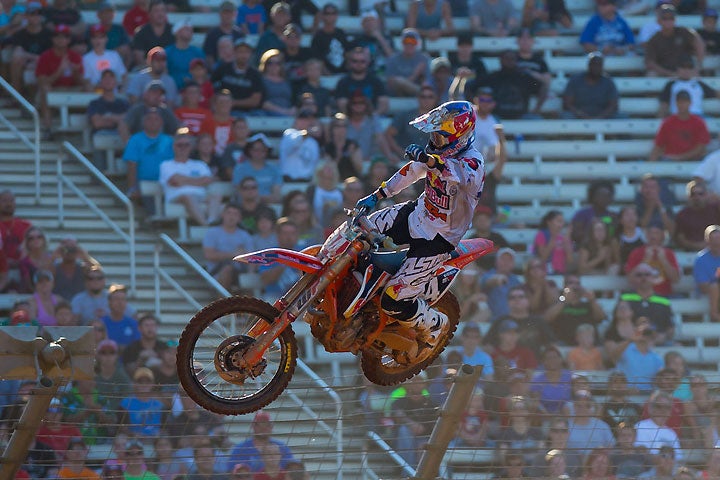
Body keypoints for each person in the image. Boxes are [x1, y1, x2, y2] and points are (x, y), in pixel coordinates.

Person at [352, 101, 484, 347]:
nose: (435, 140)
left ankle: (434, 324)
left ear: (460, 137)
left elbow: (455, 172)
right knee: (358, 229)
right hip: (417, 214)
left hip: (439, 239)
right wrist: (378, 195)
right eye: (434, 134)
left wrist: (431, 161)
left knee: (393, 300)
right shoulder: (435, 154)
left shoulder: (473, 163)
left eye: (441, 136)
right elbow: (412, 171)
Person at [159, 128, 218, 226]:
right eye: (180, 145)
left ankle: (212, 222)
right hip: (177, 196)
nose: (183, 148)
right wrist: (198, 181)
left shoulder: (199, 164)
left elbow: (208, 180)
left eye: (186, 145)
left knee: (217, 196)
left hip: (200, 196)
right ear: (174, 147)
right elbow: (175, 181)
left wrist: (184, 180)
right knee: (188, 197)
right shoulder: (166, 165)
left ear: (191, 147)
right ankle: (205, 225)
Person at [35, 24, 85, 135]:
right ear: (53, 39)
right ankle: (48, 128)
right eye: (58, 36)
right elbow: (41, 82)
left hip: (71, 90)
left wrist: (75, 72)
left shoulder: (75, 56)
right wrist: (59, 71)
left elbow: (80, 82)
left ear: (69, 40)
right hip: (53, 89)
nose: (61, 40)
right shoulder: (45, 56)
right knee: (45, 89)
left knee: (89, 87)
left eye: (65, 37)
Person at [123, 108, 175, 203]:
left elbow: (175, 164)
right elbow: (131, 165)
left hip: (166, 184)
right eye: (149, 119)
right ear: (143, 122)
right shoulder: (135, 140)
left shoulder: (169, 141)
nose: (153, 122)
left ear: (161, 122)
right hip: (143, 184)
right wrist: (132, 188)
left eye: (156, 119)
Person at [475, 50, 544, 119]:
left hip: (521, 116)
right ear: (501, 60)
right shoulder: (492, 77)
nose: (509, 61)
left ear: (516, 61)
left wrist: (537, 108)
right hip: (497, 117)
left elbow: (542, 88)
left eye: (512, 59)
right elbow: (471, 88)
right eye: (506, 58)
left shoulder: (525, 78)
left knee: (536, 119)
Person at [202, 203, 254, 291]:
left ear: (239, 218)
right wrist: (234, 254)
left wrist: (250, 274)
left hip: (239, 272)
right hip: (216, 272)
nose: (231, 217)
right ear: (223, 215)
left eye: (235, 214)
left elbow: (252, 259)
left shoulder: (245, 235)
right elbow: (209, 255)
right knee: (227, 269)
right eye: (229, 213)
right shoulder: (212, 232)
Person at [225, 411, 297, 473]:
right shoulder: (240, 449)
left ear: (271, 427)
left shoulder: (282, 448)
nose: (263, 428)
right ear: (253, 426)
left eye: (266, 425)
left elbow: (293, 468)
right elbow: (230, 471)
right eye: (259, 425)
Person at [649, 90, 710, 163]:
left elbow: (701, 147)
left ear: (690, 103)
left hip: (692, 161)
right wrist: (650, 166)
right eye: (680, 102)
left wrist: (679, 158)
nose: (682, 104)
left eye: (685, 102)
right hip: (671, 161)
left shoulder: (699, 122)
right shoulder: (668, 123)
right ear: (676, 103)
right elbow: (658, 145)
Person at [645, 3, 705, 76]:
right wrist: (669, 73)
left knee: (696, 75)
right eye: (665, 18)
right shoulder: (654, 39)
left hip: (685, 69)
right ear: (658, 21)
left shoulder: (683, 32)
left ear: (675, 19)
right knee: (651, 74)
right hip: (665, 72)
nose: (668, 21)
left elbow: (699, 42)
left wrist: (698, 67)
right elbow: (650, 63)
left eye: (671, 18)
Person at [211, 38, 264, 115]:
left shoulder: (255, 74)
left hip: (248, 112)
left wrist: (234, 103)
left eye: (247, 52)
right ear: (234, 53)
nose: (244, 55)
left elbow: (255, 101)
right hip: (223, 110)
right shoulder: (222, 69)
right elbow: (212, 91)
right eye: (241, 51)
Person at [612, 316, 664, 393]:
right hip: (626, 394)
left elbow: (660, 380)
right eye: (641, 327)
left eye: (647, 330)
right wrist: (631, 339)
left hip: (647, 396)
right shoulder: (625, 349)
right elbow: (613, 356)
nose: (645, 332)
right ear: (635, 329)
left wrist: (653, 337)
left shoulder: (656, 357)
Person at [625, 225, 680, 297]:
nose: (653, 236)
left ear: (663, 236)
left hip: (664, 296)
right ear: (646, 235)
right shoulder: (636, 252)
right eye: (650, 233)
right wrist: (645, 260)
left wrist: (664, 260)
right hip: (640, 295)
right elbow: (630, 279)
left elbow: (675, 279)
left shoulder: (669, 253)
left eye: (657, 233)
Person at [562, 52, 620, 120]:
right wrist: (581, 115)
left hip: (603, 116)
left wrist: (600, 118)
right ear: (589, 65)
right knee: (566, 116)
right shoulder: (575, 80)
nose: (596, 67)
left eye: (599, 65)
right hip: (578, 116)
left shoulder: (608, 82)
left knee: (622, 117)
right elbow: (567, 104)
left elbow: (613, 105)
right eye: (594, 64)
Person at [334, 46, 389, 115]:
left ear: (368, 62)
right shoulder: (342, 82)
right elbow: (342, 105)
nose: (358, 64)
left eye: (362, 61)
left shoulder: (376, 81)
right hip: (350, 121)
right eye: (355, 61)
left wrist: (372, 117)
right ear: (349, 62)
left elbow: (384, 104)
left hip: (372, 120)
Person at [675, 181, 720, 251]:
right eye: (693, 194)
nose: (697, 197)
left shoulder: (716, 210)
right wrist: (697, 246)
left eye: (700, 194)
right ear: (688, 196)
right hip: (690, 252)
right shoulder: (682, 214)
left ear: (706, 195)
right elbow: (680, 239)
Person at [384, 28, 430, 97]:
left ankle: (423, 95)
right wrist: (415, 74)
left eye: (413, 41)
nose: (409, 44)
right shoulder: (393, 59)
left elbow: (427, 81)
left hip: (416, 95)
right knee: (398, 81)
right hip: (397, 94)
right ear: (402, 43)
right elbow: (391, 83)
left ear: (418, 43)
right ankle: (422, 95)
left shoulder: (423, 59)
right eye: (406, 41)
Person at [279, 109, 322, 182]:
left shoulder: (313, 143)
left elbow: (314, 163)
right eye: (302, 119)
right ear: (296, 120)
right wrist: (307, 132)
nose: (304, 122)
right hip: (288, 180)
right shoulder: (288, 134)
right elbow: (293, 142)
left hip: (306, 181)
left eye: (307, 120)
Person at [82, 24, 126, 90]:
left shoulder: (114, 55)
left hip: (114, 93)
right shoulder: (85, 58)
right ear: (91, 40)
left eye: (101, 37)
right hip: (95, 93)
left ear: (106, 39)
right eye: (95, 37)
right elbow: (86, 81)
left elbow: (123, 75)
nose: (98, 40)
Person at [131, 0, 173, 66]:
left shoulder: (174, 31)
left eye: (162, 10)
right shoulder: (141, 32)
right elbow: (139, 59)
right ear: (149, 14)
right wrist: (155, 70)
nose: (160, 14)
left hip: (170, 69)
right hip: (147, 71)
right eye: (156, 11)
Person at [309, 3, 348, 74]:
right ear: (323, 16)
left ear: (336, 16)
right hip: (326, 74)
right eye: (327, 13)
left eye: (333, 13)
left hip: (343, 73)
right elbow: (317, 58)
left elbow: (347, 53)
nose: (330, 16)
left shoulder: (341, 33)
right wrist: (328, 75)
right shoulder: (318, 36)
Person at [202, 1, 243, 68]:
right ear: (220, 14)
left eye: (230, 13)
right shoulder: (212, 34)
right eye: (225, 13)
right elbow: (209, 56)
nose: (228, 16)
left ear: (235, 14)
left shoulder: (239, 34)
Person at [531, 209, 573, 274]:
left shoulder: (564, 238)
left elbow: (570, 262)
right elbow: (542, 259)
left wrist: (567, 246)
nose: (561, 224)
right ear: (549, 222)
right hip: (545, 273)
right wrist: (553, 240)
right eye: (558, 221)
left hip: (561, 273)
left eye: (562, 221)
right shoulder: (541, 235)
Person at [101, 284, 140, 348]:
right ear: (109, 302)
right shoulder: (101, 323)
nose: (120, 302)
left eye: (123, 299)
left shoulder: (133, 324)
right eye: (116, 299)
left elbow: (137, 346)